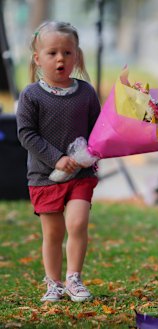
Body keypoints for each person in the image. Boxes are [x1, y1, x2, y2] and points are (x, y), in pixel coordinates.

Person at [16, 21, 101, 302]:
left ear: (77, 56)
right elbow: (26, 134)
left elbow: (97, 131)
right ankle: (53, 283)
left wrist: (93, 154)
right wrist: (57, 158)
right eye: (52, 53)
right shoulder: (31, 95)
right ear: (38, 58)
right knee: (53, 233)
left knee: (77, 224)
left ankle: (74, 279)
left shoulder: (87, 93)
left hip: (81, 174)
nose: (60, 58)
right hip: (44, 175)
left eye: (67, 52)